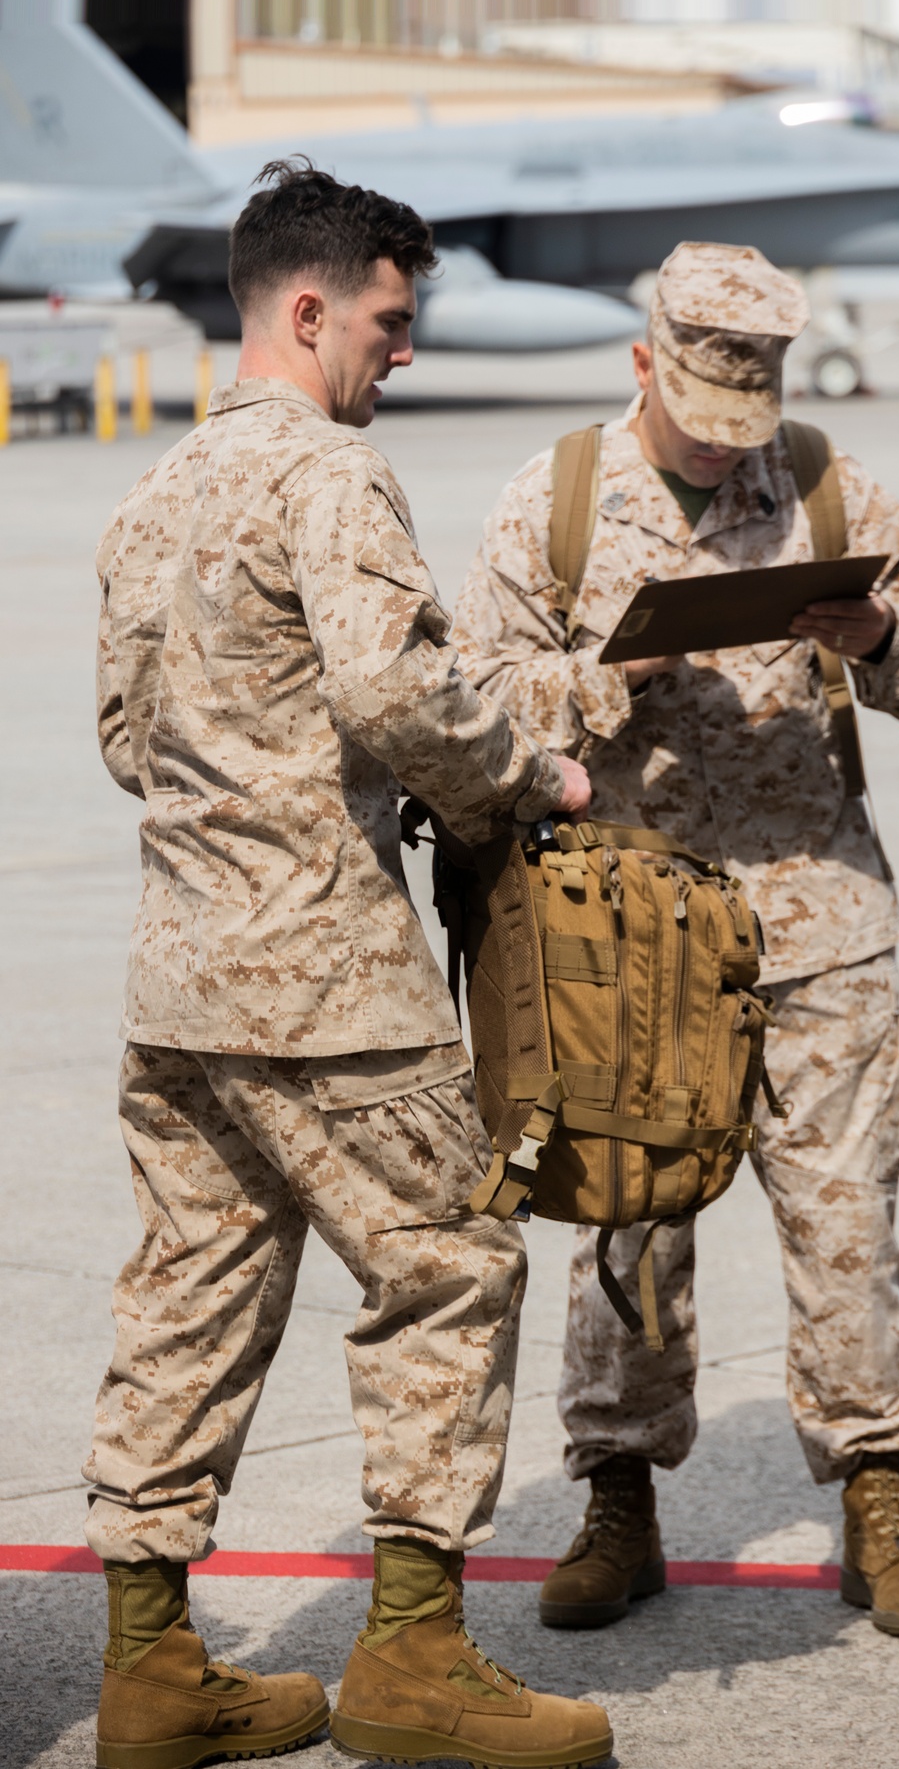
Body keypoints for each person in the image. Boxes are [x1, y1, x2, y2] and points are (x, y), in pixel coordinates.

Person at [85, 158, 612, 1769]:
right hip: (326, 981)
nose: (405, 349)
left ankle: (152, 1666)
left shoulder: (155, 493)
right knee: (451, 1266)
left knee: (192, 1294)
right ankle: (411, 1660)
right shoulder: (329, 478)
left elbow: (123, 740)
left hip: (180, 980)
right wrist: (533, 770)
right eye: (389, 319)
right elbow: (399, 699)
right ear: (306, 307)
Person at [450, 240, 899, 1643]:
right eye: (701, 412)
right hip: (630, 940)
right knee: (628, 1219)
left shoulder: (826, 483)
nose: (726, 444)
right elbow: (477, 711)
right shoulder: (554, 503)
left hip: (823, 923)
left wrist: (876, 635)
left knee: (846, 1220)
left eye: (748, 410)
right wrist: (600, 677)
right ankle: (618, 1497)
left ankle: (876, 1491)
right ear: (644, 366)